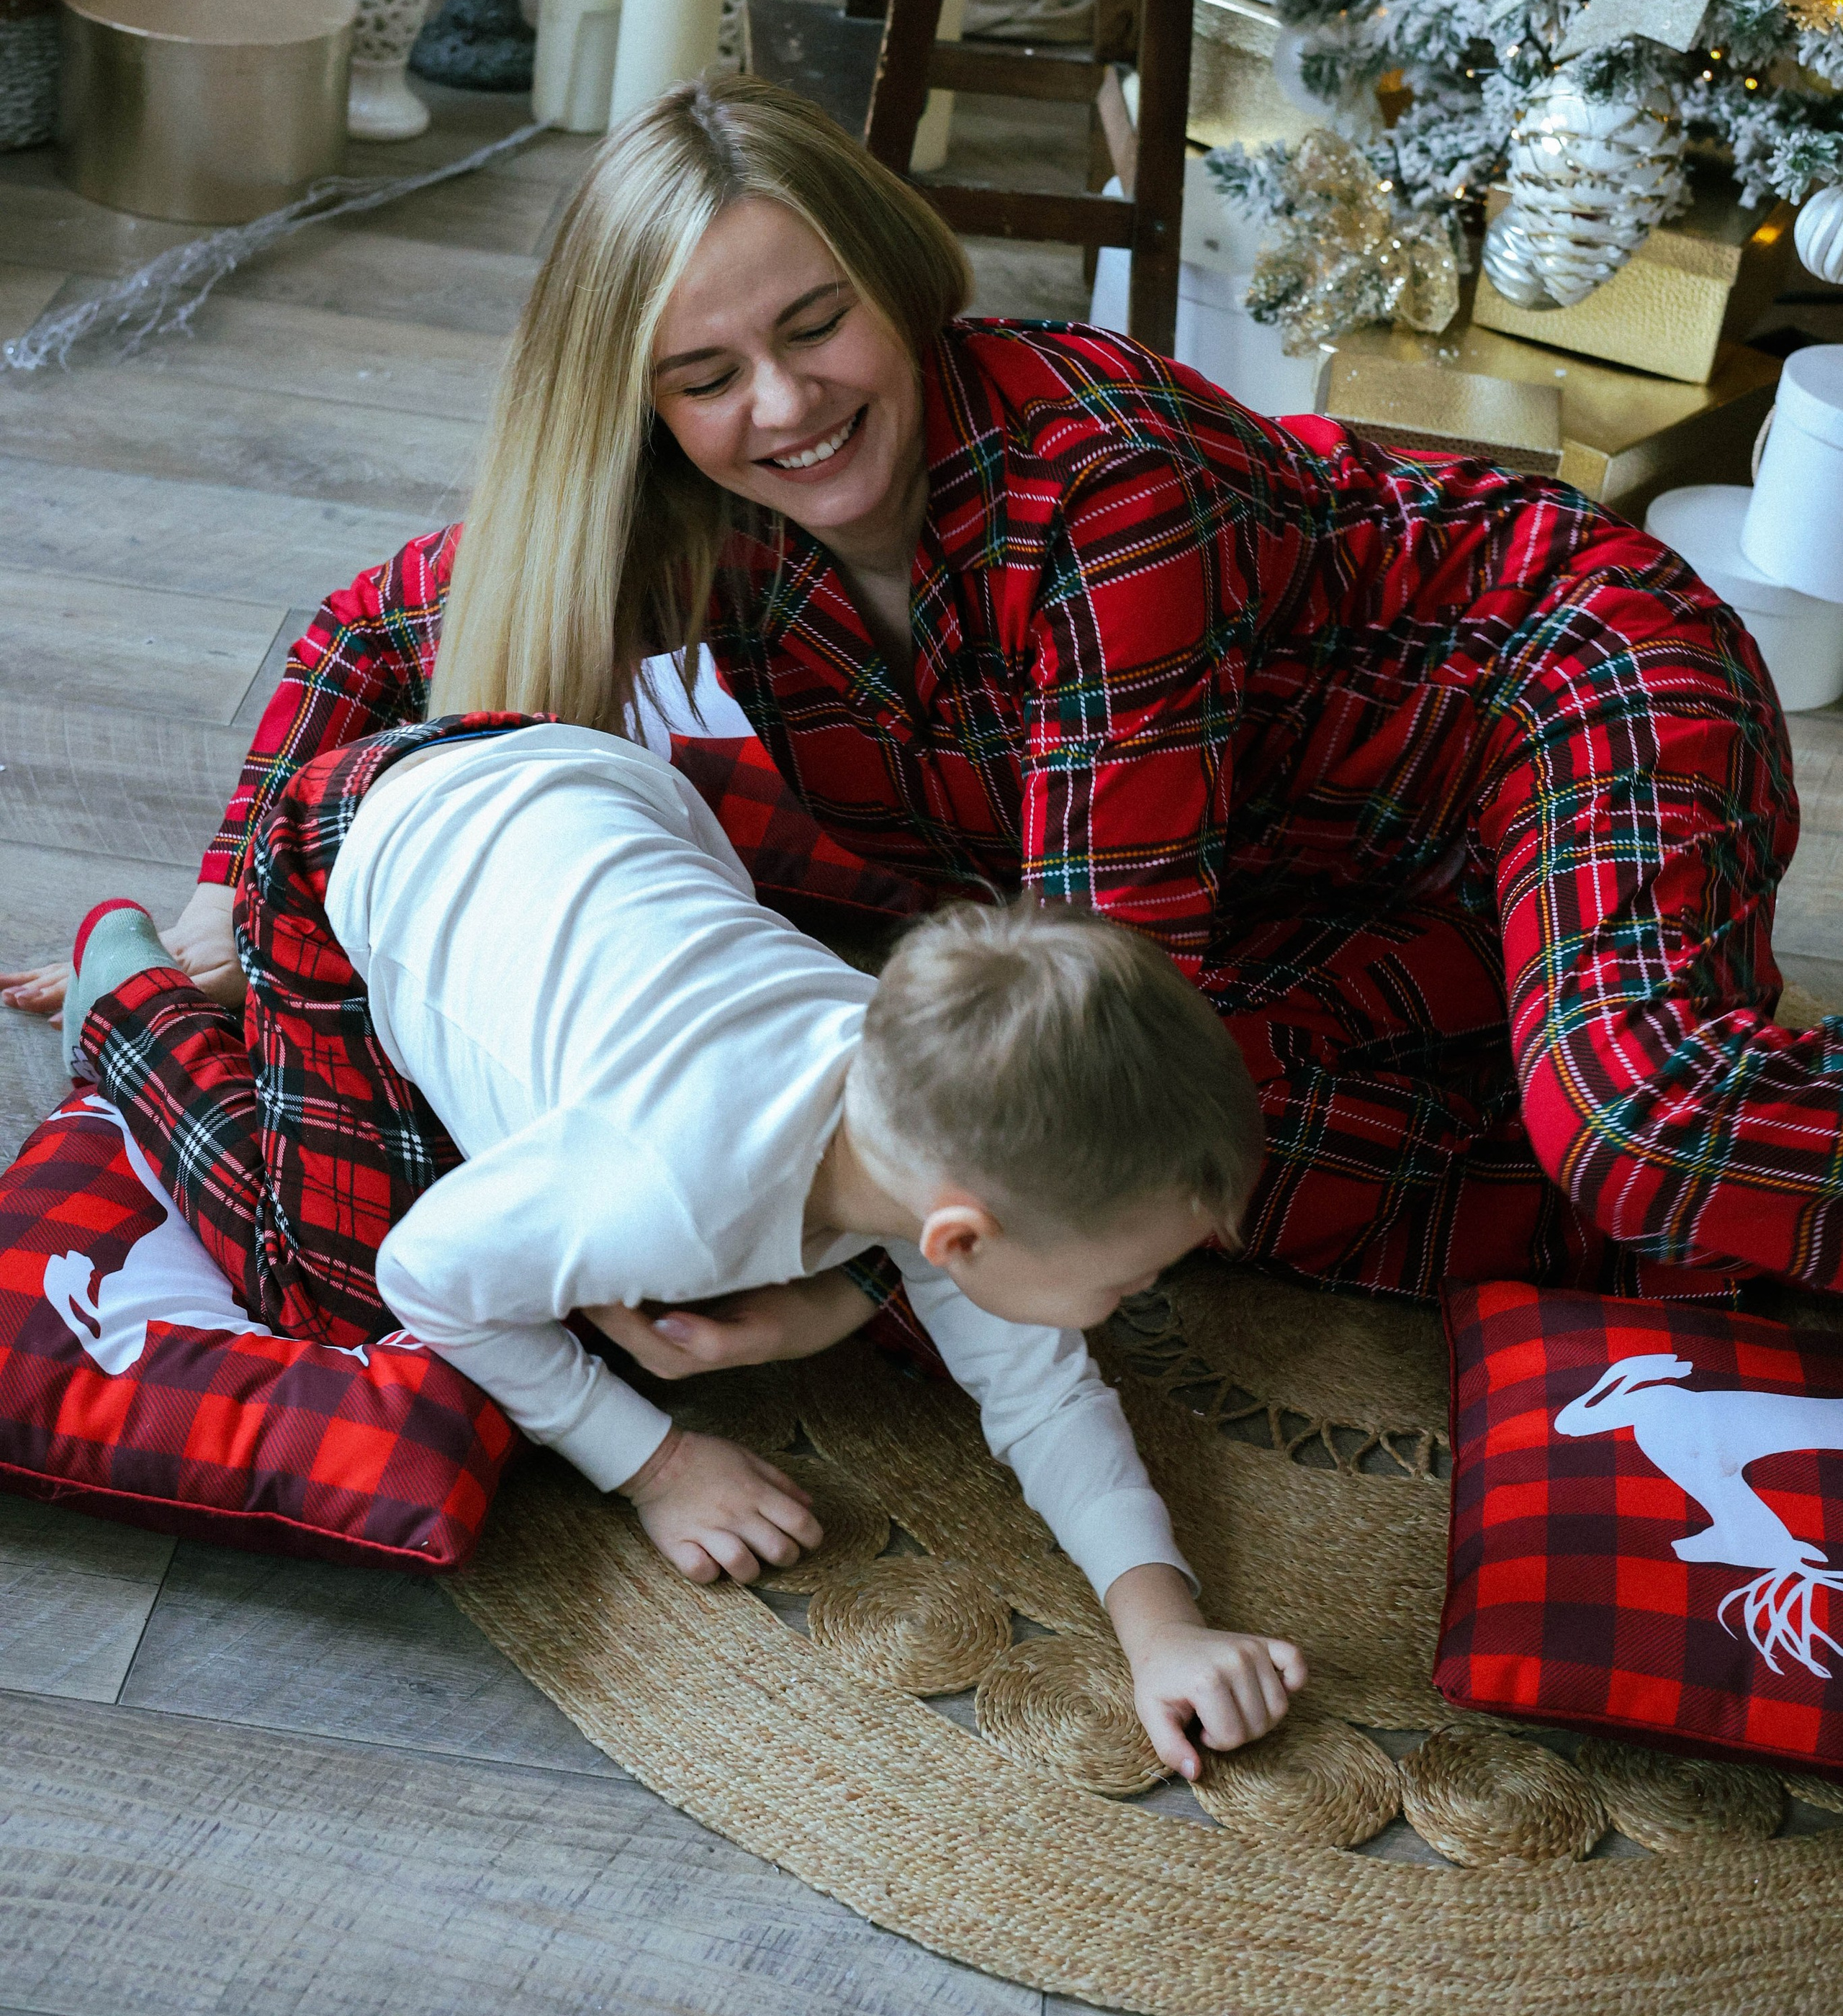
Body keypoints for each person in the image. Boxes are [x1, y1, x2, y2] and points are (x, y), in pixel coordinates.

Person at [12, 71, 1839, 1303]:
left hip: (1543, 686)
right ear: (641, 407)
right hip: (1279, 862)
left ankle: (1595, 1057)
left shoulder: (1099, 487)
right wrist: (218, 898)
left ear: (891, 281)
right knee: (1225, 1194)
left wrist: (817, 1287)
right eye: (704, 374)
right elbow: (370, 631)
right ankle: (1503, 1049)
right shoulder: (691, 518)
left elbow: (1087, 1025)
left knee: (1633, 1130)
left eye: (812, 326)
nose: (783, 408)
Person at [63, 711, 1301, 1773]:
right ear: (957, 1238)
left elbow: (1043, 1399)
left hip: (595, 788)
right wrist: (652, 1463)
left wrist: (1162, 1629)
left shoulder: (934, 1090)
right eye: (1133, 1274)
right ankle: (133, 995)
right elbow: (427, 1275)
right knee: (328, 1290)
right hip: (363, 843)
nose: (1147, 1296)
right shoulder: (667, 1193)